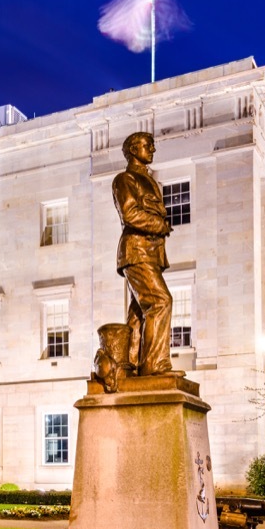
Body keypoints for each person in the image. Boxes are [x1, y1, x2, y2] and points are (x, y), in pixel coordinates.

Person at [113, 131, 178, 377]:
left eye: (152, 145)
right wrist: (159, 225)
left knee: (140, 312)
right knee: (160, 301)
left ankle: (129, 363)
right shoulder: (124, 179)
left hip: (150, 253)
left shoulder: (149, 181)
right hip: (136, 250)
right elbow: (130, 214)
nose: (152, 150)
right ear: (132, 149)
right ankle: (155, 365)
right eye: (147, 145)